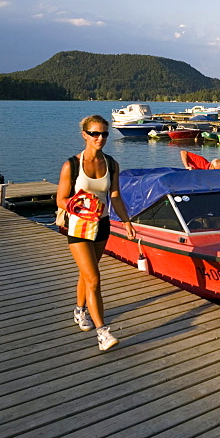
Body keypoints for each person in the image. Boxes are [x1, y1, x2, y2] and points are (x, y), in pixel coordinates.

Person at [57, 114, 135, 351]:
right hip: (79, 226)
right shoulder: (71, 164)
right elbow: (60, 199)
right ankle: (103, 333)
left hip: (101, 225)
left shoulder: (111, 164)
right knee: (94, 278)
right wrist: (79, 205)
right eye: (95, 133)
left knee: (86, 274)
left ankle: (80, 310)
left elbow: (114, 196)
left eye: (104, 134)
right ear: (85, 135)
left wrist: (127, 221)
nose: (100, 138)